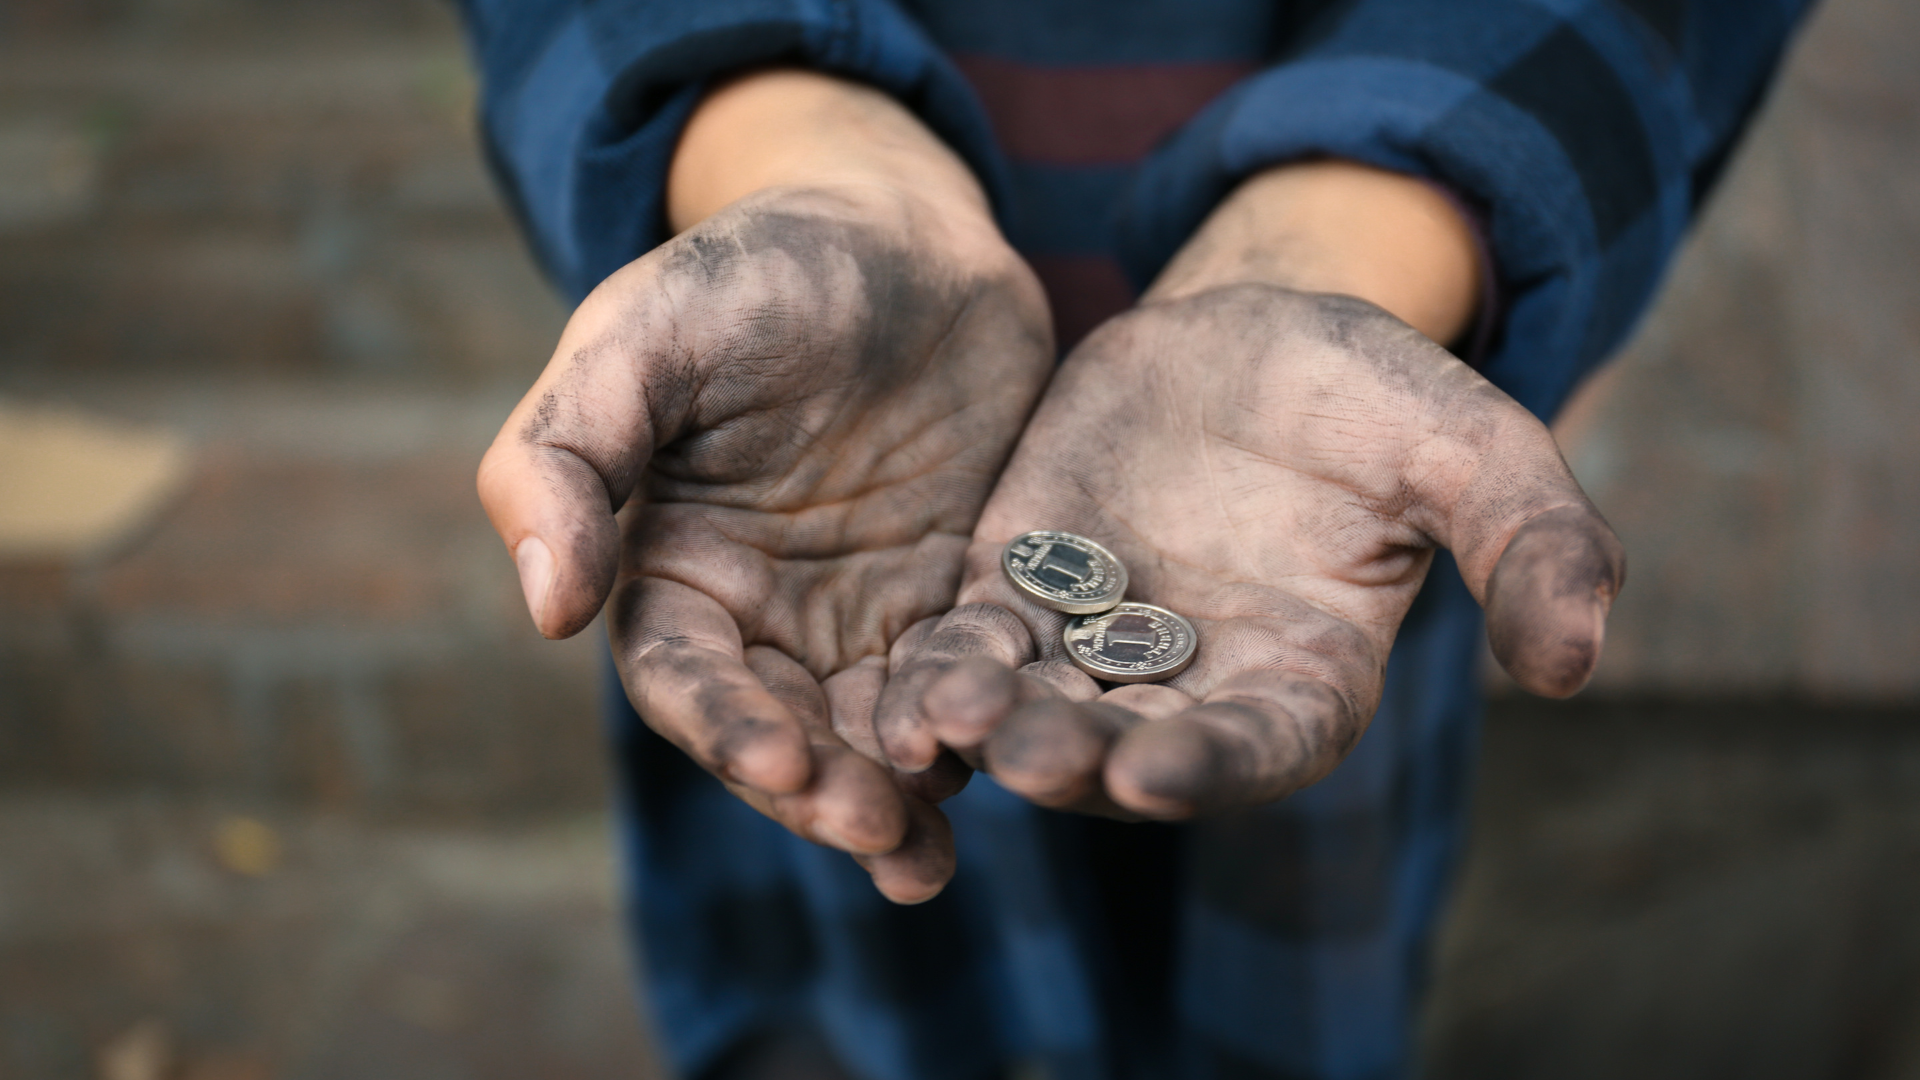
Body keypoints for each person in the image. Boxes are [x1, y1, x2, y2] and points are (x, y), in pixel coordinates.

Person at [458, 2, 1812, 1077]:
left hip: (1314, 516)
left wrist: (1370, 240)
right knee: (848, 978)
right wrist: (792, 148)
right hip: (808, 511)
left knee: (1275, 987)